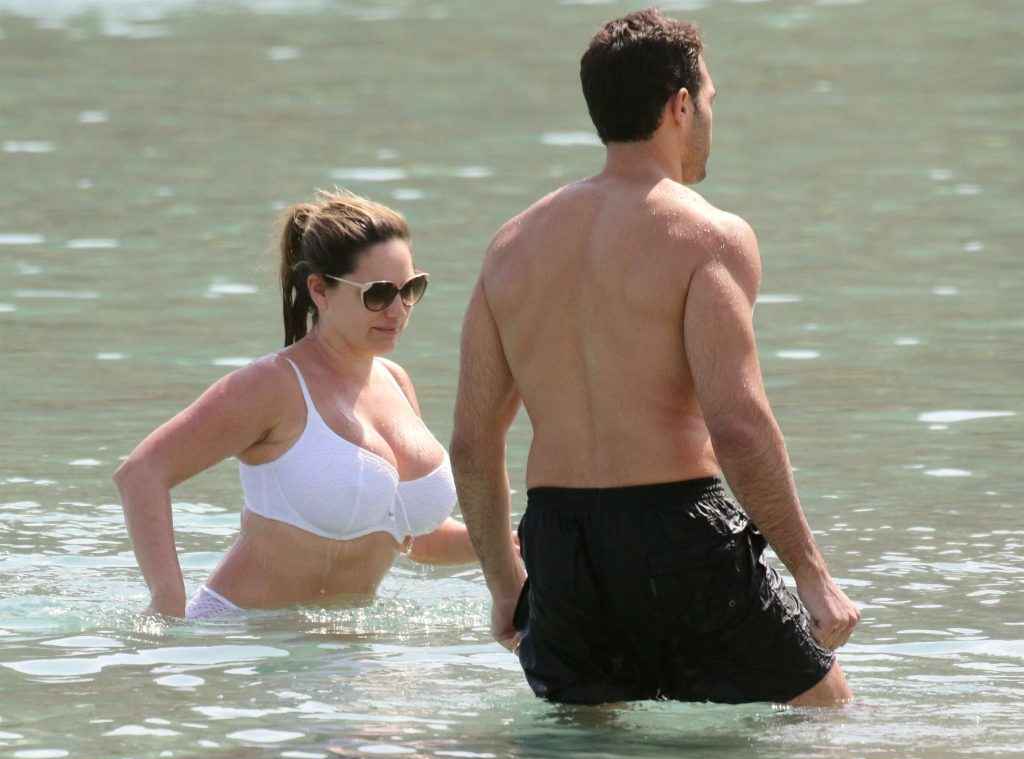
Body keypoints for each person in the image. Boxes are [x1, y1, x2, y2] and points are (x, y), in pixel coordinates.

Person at [451, 9, 859, 706]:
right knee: (827, 719)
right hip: (676, 528)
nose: (711, 118)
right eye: (710, 100)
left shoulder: (511, 247)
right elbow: (738, 425)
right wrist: (813, 576)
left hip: (560, 543)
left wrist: (505, 583)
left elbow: (471, 440)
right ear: (680, 105)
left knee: (591, 751)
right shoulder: (707, 236)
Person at [115, 190, 477, 620]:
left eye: (411, 289)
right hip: (240, 639)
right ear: (320, 290)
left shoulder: (396, 382)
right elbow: (141, 473)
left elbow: (411, 534)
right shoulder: (273, 385)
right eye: (378, 294)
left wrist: (518, 544)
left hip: (347, 648)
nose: (398, 310)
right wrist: (168, 605)